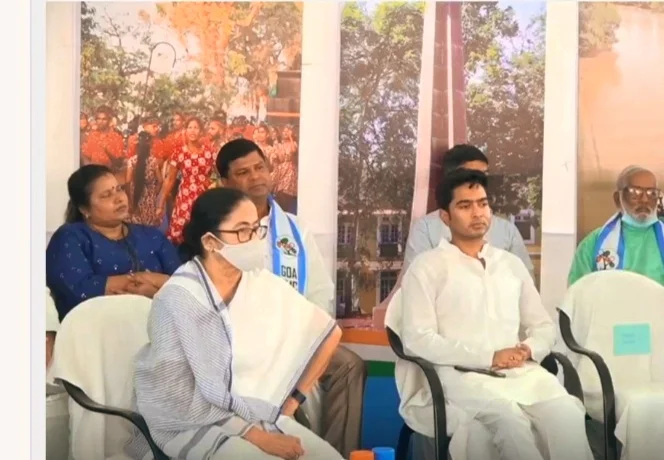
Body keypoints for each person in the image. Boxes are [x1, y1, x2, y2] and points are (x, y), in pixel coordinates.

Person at [388, 169, 593, 460]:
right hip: (459, 376)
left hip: (521, 374)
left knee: (567, 415)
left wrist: (528, 349)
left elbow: (543, 326)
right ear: (445, 217)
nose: (477, 213)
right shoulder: (427, 267)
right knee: (508, 421)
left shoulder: (509, 264)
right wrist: (489, 356)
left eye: (482, 204)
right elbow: (418, 339)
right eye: (465, 205)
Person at [126, 188, 343, 460]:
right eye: (242, 231)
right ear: (211, 241)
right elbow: (176, 397)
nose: (255, 240)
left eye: (256, 229)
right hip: (189, 424)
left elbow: (329, 333)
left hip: (255, 413)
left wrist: (291, 403)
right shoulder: (178, 298)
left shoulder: (259, 282)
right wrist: (257, 437)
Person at [216, 139, 366, 457]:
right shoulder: (219, 231)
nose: (255, 176)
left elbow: (320, 291)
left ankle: (335, 454)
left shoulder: (294, 230)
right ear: (225, 182)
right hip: (243, 344)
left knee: (349, 366)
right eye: (243, 172)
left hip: (296, 338)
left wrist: (308, 337)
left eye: (259, 167)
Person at [46, 165, 181, 319]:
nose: (119, 198)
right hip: (95, 328)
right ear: (84, 209)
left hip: (158, 326)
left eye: (119, 189)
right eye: (106, 195)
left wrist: (153, 289)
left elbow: (184, 285)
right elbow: (80, 290)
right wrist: (150, 282)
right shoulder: (70, 237)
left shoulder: (152, 236)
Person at [569, 165, 664, 286]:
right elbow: (577, 291)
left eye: (652, 193)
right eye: (635, 192)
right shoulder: (592, 243)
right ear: (617, 199)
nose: (645, 199)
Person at [159, 116, 217, 245]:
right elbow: (170, 180)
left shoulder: (210, 153)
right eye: (190, 127)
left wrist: (213, 184)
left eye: (196, 128)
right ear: (185, 131)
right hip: (185, 199)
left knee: (203, 234)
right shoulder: (179, 153)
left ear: (201, 131)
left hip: (204, 198)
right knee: (181, 236)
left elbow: (218, 175)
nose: (192, 131)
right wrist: (161, 203)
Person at [125, 132, 163, 226]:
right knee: (149, 224)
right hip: (149, 196)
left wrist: (129, 200)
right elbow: (160, 180)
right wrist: (154, 192)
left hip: (135, 195)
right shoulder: (153, 161)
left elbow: (128, 182)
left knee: (136, 225)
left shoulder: (132, 161)